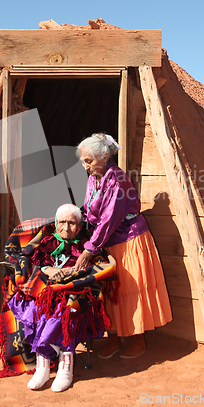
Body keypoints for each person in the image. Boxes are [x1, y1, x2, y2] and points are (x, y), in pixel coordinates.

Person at [74, 132, 172, 359]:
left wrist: (90, 248)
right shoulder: (93, 179)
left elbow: (110, 217)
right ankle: (114, 339)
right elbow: (91, 211)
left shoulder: (117, 180)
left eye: (89, 161)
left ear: (104, 156)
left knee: (130, 290)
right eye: (83, 161)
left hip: (128, 240)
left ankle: (138, 340)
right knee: (110, 292)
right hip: (106, 241)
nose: (85, 166)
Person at [7, 203, 112, 392]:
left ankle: (66, 365)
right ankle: (43, 366)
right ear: (56, 223)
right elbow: (36, 261)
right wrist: (49, 270)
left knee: (64, 309)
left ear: (79, 225)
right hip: (49, 287)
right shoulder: (47, 240)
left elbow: (98, 267)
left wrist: (71, 272)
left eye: (71, 223)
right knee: (37, 305)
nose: (66, 227)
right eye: (62, 222)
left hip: (75, 289)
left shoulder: (86, 244)